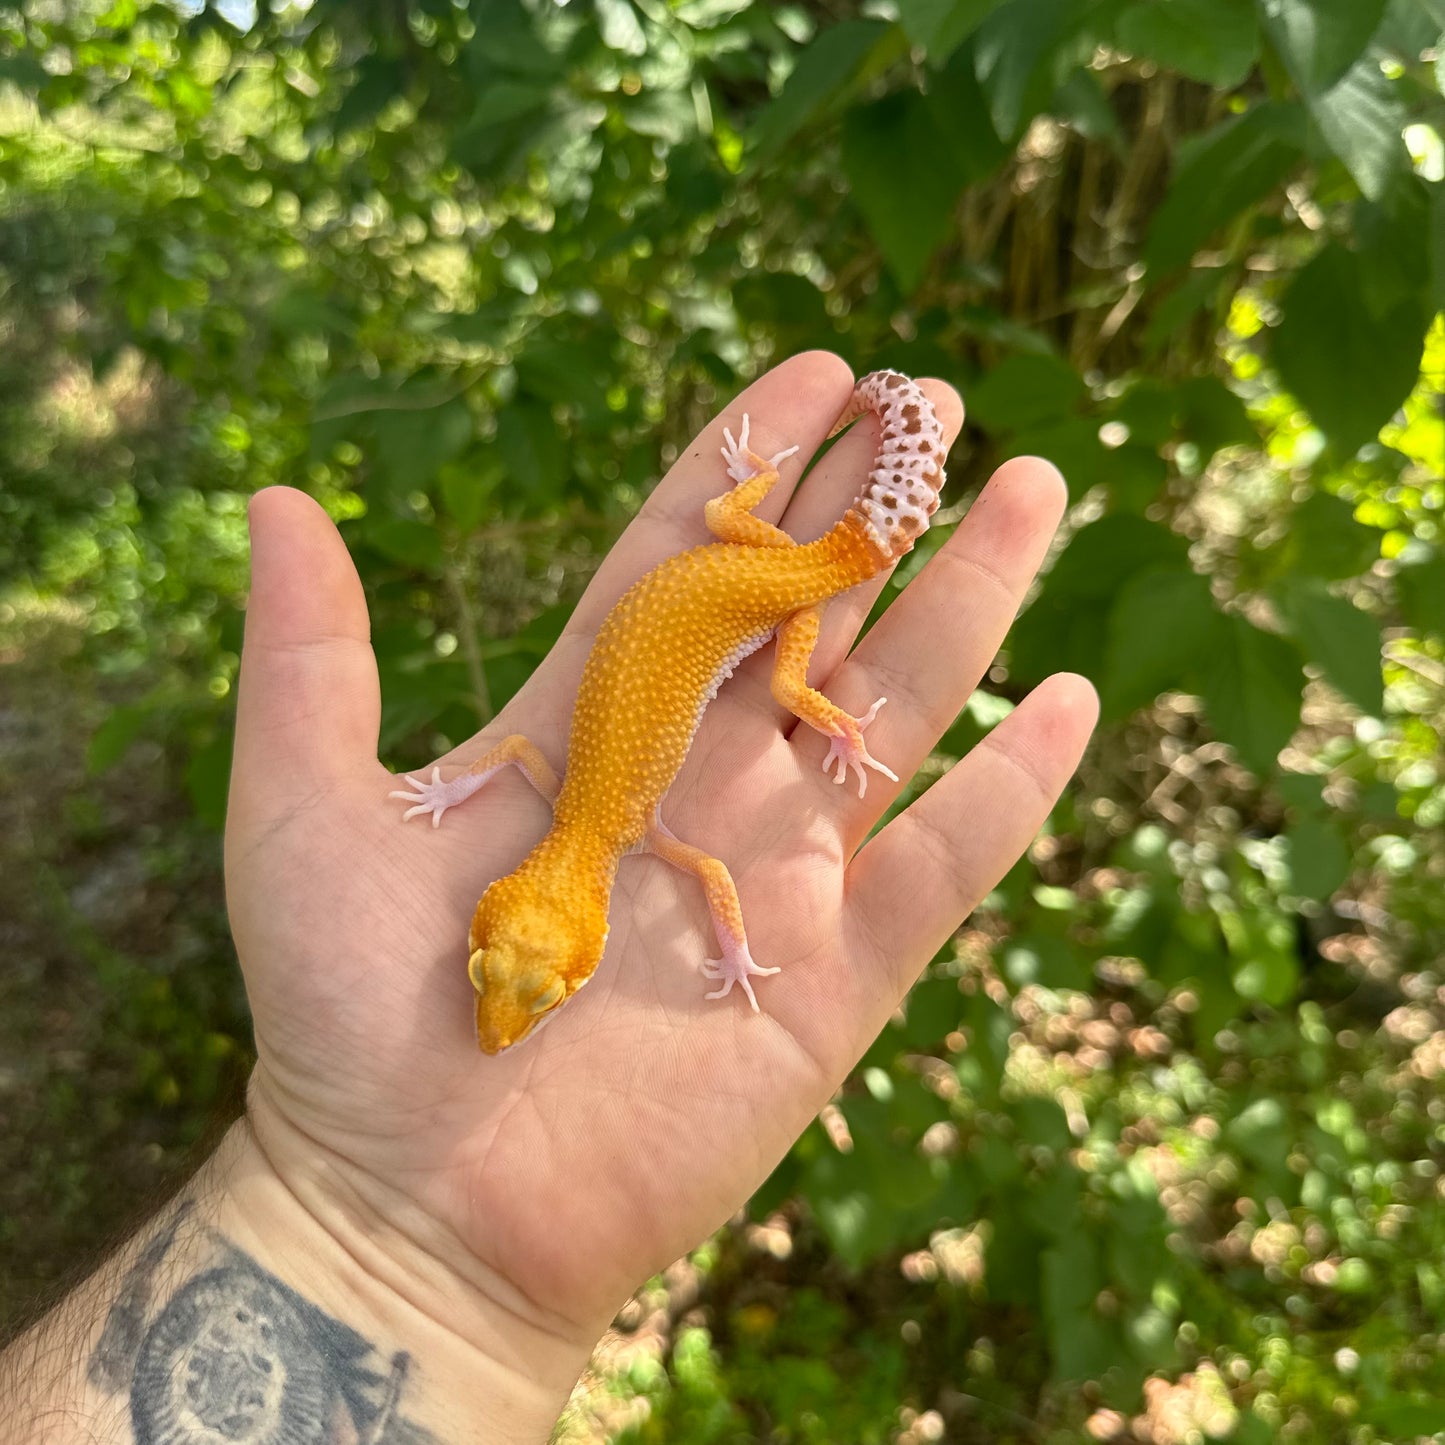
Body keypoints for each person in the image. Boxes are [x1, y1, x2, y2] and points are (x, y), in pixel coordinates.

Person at [0, 352, 1096, 1442]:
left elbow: (678, 849)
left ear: (516, 908)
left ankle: (872, 460)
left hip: (773, 594)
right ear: (533, 916)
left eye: (498, 977)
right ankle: (860, 433)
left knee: (791, 686)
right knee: (746, 556)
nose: (499, 1008)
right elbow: (563, 781)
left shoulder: (615, 819)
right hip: (745, 556)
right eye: (515, 982)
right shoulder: (587, 806)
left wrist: (751, 907)